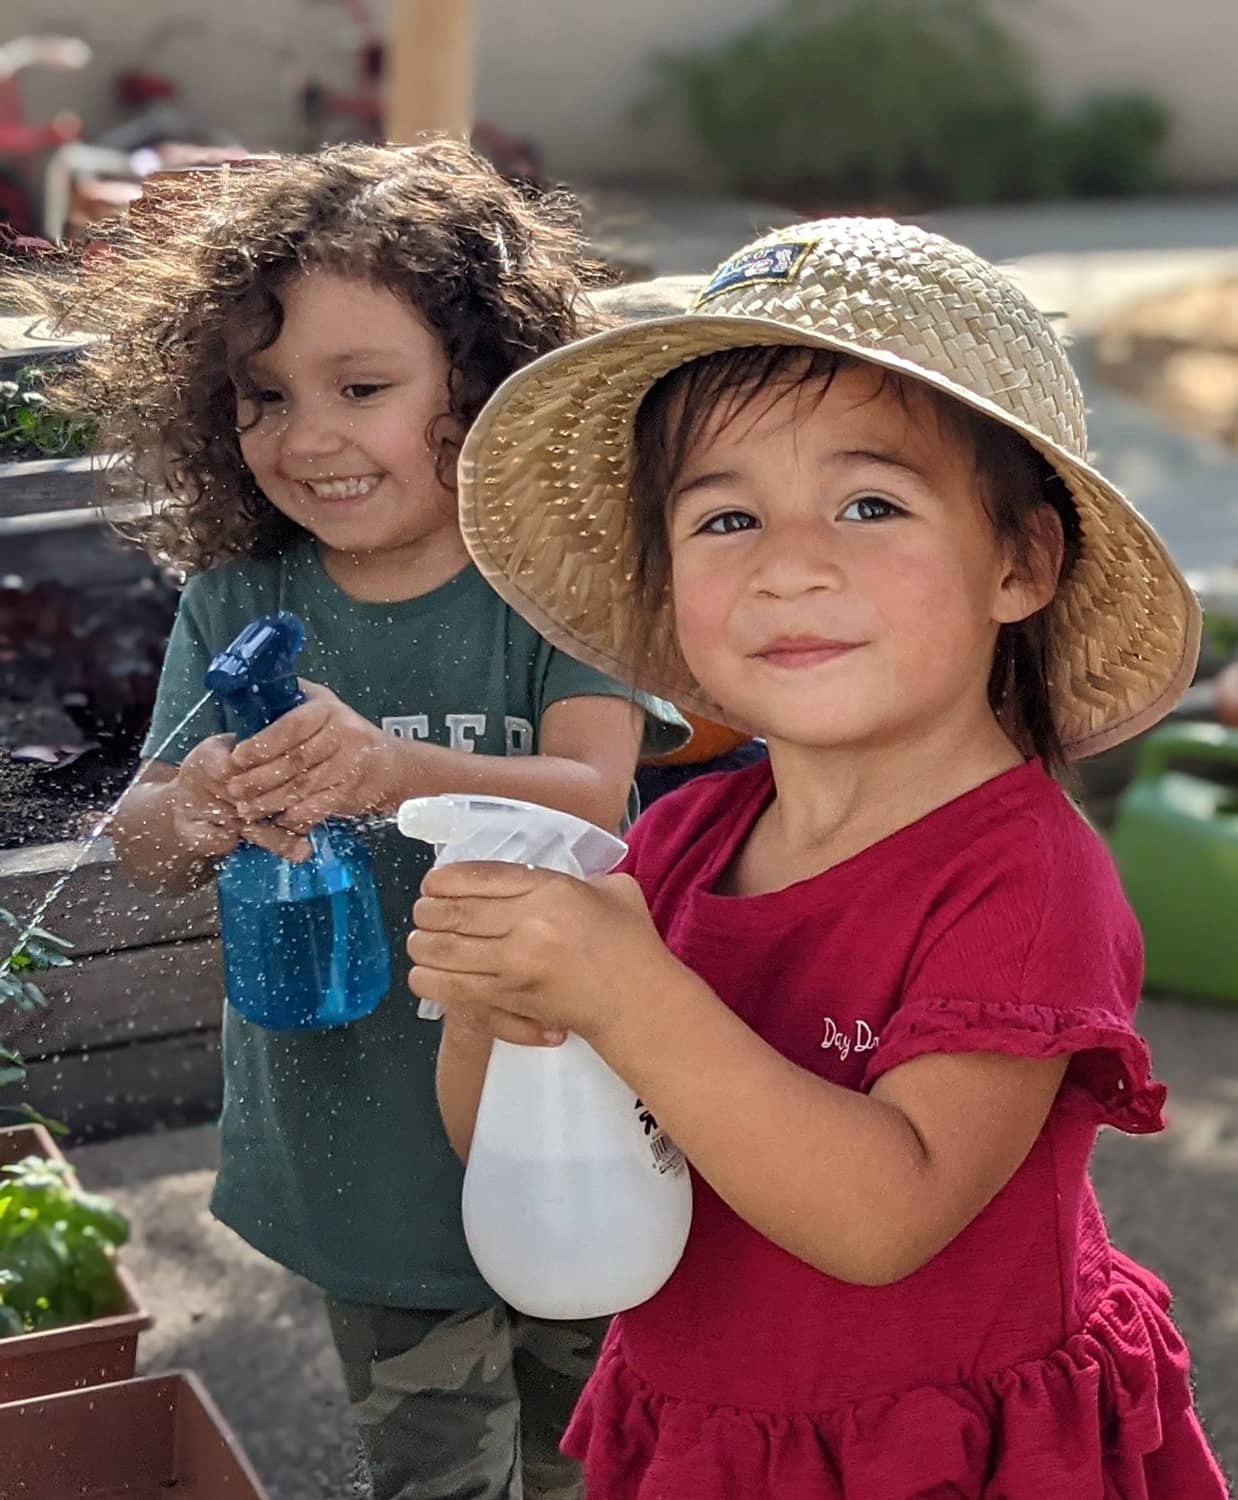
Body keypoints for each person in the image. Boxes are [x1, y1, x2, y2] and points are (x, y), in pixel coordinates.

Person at [410, 218, 1229, 1498]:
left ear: (1018, 561)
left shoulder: (1023, 877)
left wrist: (622, 990)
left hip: (941, 1456)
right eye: (725, 516)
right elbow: (510, 1147)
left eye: (868, 504)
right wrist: (502, 1007)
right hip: (713, 1437)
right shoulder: (677, 840)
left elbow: (881, 1219)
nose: (789, 565)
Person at [18, 141, 682, 1500]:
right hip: (360, 1151)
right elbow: (142, 841)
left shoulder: (554, 592)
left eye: (361, 388)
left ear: (482, 387)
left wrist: (387, 769)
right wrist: (196, 804)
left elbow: (595, 800)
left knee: (590, 1460)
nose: (305, 437)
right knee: (432, 1471)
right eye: (262, 397)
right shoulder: (236, 602)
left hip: (563, 1115)